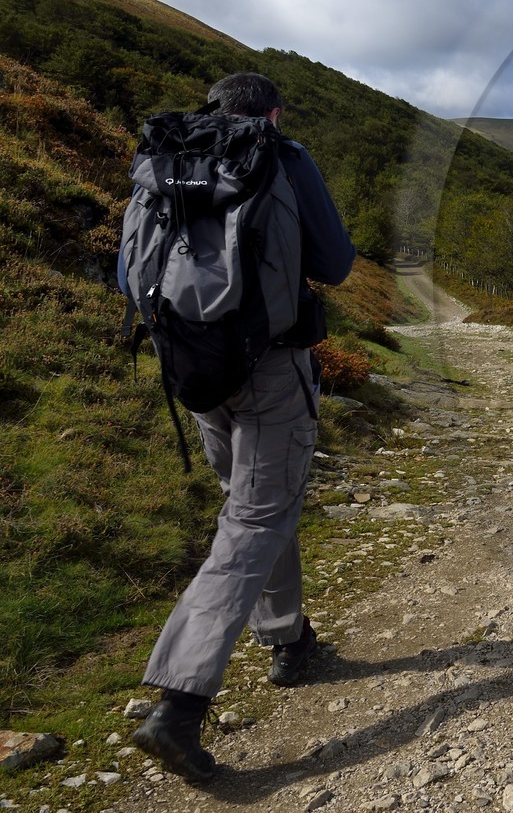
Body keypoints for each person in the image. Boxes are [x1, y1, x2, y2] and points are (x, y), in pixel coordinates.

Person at [126, 72, 356, 782]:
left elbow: (128, 271)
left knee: (252, 508)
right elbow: (337, 264)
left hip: (194, 371)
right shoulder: (282, 157)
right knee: (255, 520)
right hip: (270, 371)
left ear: (212, 110)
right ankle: (180, 704)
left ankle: (288, 640)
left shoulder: (166, 161)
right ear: (273, 113)